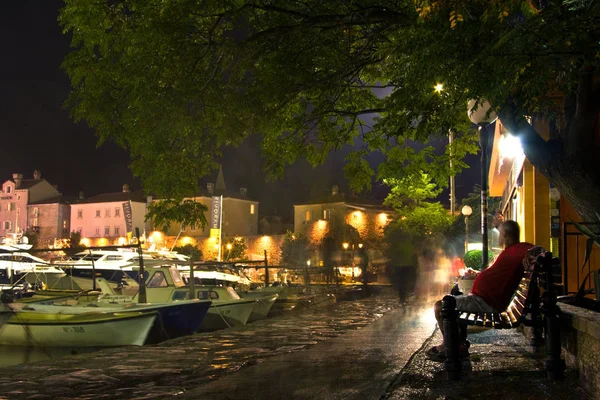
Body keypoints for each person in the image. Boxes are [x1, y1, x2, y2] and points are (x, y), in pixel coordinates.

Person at [427, 220, 533, 361]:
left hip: (486, 302)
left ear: (505, 234)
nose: (498, 237)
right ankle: (458, 345)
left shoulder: (519, 249)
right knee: (452, 298)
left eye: (500, 233)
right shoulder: (511, 251)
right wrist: (479, 274)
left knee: (440, 306)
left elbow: (540, 251)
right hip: (483, 298)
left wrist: (532, 254)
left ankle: (449, 346)